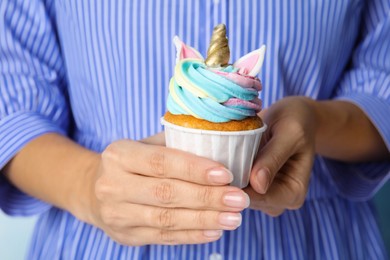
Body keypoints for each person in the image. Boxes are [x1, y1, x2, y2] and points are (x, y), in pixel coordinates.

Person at [0, 0, 389, 259]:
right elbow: (13, 107)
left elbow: (381, 87)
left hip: (312, 242)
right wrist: (90, 186)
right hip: (98, 241)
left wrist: (316, 122)